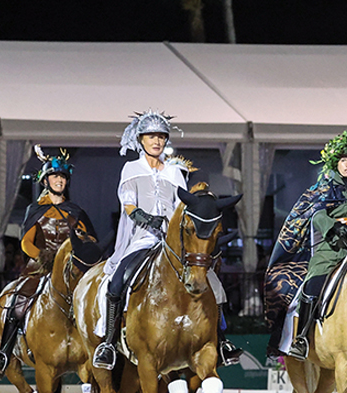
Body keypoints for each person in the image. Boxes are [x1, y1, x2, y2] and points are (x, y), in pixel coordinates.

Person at [92, 111, 242, 370]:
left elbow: (180, 206)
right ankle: (108, 341)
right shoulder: (131, 169)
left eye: (161, 136)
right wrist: (146, 218)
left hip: (173, 241)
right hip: (142, 238)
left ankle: (223, 341)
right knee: (117, 282)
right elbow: (128, 204)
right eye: (152, 136)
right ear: (141, 140)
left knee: (212, 282)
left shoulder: (175, 173)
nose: (157, 141)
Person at [264, 131, 347, 360]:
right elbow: (315, 215)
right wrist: (334, 227)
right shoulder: (322, 190)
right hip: (331, 249)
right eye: (343, 160)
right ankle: (302, 338)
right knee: (313, 284)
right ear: (335, 162)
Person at [0, 146, 95, 378]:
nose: (59, 180)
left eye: (63, 177)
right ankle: (3, 352)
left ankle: (105, 349)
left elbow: (90, 238)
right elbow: (26, 243)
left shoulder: (76, 211)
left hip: (71, 269)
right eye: (55, 176)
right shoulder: (35, 210)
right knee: (18, 300)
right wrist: (43, 257)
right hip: (40, 267)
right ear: (46, 181)